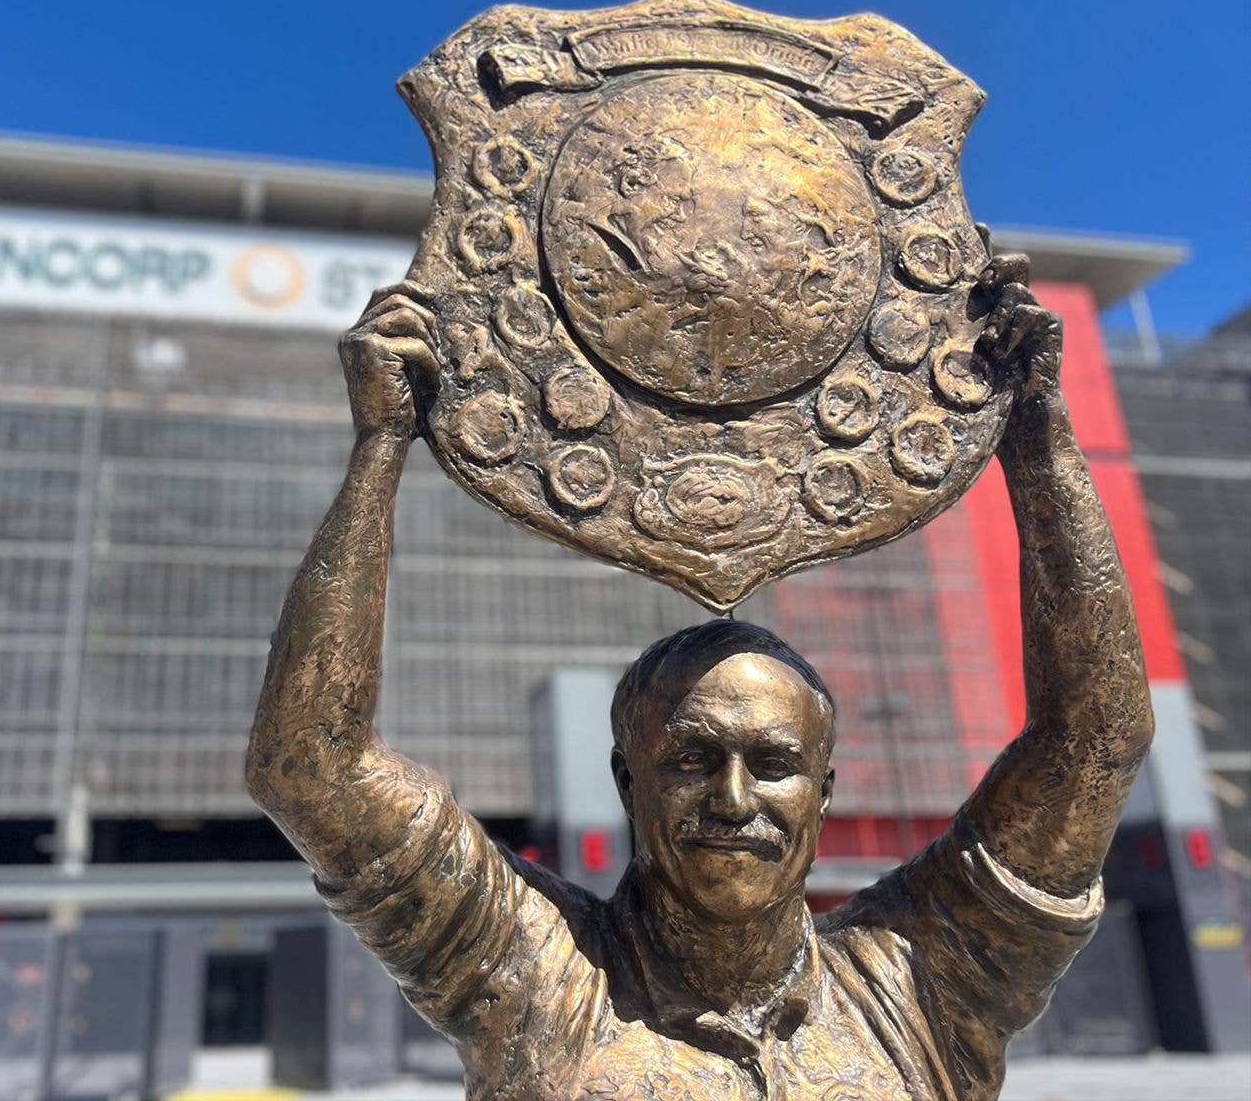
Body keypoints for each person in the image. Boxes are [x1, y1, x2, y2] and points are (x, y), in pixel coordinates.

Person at [245, 255, 1153, 1101]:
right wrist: (381, 446)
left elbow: (1095, 742)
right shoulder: (538, 976)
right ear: (625, 781)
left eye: (773, 762)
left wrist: (1039, 439)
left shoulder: (920, 982)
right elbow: (312, 769)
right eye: (689, 758)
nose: (733, 795)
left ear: (824, 791)